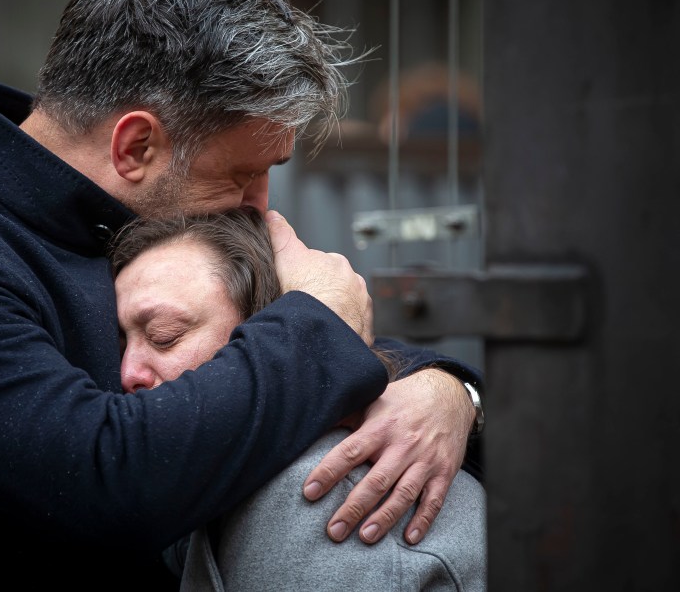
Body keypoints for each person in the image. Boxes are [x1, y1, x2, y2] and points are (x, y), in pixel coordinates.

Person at [0, 0, 483, 589]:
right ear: (135, 148)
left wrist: (444, 393)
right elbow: (109, 478)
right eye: (242, 173)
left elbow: (243, 349)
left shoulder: (123, 213)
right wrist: (318, 325)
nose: (256, 207)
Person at [110, 207, 487, 591]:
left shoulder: (316, 488)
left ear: (269, 328)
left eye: (164, 336)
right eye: (119, 346)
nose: (127, 374)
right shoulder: (209, 471)